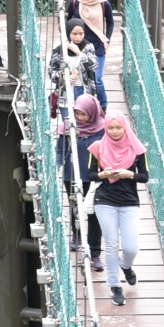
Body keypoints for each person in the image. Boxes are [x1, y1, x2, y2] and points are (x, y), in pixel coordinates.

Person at [89, 113, 148, 306]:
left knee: (131, 247)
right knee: (112, 244)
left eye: (118, 128)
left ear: (125, 127)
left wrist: (129, 174)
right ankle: (114, 285)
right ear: (105, 128)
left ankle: (126, 265)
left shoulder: (137, 149)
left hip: (129, 201)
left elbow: (144, 177)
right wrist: (103, 174)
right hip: (104, 200)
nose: (114, 132)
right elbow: (90, 174)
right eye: (110, 128)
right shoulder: (98, 147)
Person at [54, 93, 106, 270]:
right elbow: (60, 151)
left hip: (95, 178)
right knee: (74, 206)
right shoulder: (67, 127)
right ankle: (76, 235)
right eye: (77, 113)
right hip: (72, 174)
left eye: (84, 114)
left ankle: (95, 253)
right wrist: (56, 166)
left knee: (94, 214)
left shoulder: (104, 128)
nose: (80, 117)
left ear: (92, 112)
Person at [67, 0, 114, 110]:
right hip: (77, 46)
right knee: (79, 79)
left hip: (97, 46)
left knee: (96, 78)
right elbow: (67, 20)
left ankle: (102, 105)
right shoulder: (75, 2)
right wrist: (69, 38)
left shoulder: (104, 4)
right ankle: (81, 108)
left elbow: (110, 22)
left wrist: (107, 39)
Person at [49, 18, 98, 113]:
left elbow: (94, 66)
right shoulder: (58, 51)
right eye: (74, 34)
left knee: (83, 123)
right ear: (68, 33)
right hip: (65, 93)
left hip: (84, 91)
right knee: (68, 124)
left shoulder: (88, 47)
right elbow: (52, 73)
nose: (78, 37)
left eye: (81, 33)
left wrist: (78, 52)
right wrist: (63, 76)